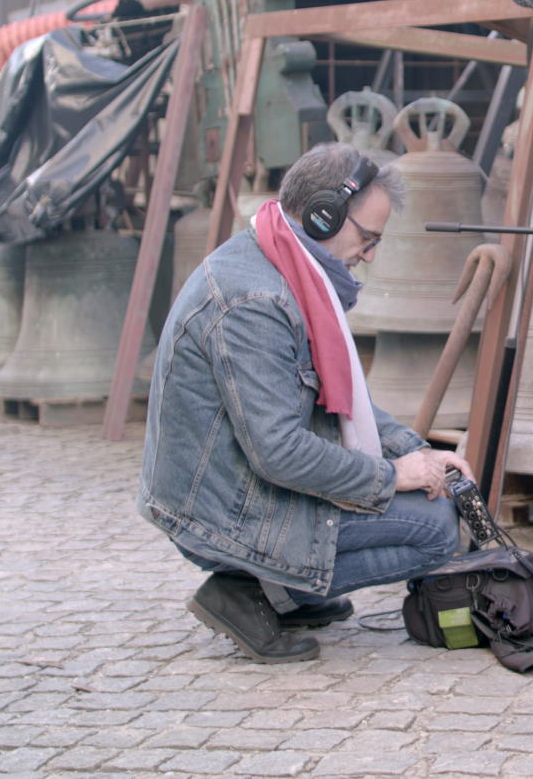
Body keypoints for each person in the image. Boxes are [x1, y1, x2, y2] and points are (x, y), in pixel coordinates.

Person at [137, 142, 470, 663]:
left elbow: (344, 402)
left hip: (240, 485)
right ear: (323, 216)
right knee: (436, 530)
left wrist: (416, 451)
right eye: (369, 238)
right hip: (224, 511)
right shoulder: (254, 301)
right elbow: (280, 452)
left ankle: (286, 594)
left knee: (437, 503)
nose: (370, 255)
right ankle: (248, 590)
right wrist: (392, 476)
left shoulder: (284, 265)